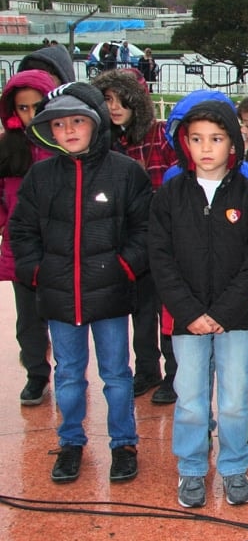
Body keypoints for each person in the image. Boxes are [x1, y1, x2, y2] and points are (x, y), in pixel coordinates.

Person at [9, 82, 152, 484]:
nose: (68, 130)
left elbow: (145, 230)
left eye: (77, 121)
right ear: (48, 131)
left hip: (109, 294)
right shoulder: (41, 177)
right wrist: (36, 272)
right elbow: (20, 230)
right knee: (69, 374)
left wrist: (125, 267)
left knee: (117, 374)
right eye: (58, 124)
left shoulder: (125, 173)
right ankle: (70, 441)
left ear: (96, 123)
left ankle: (123, 443)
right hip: (58, 296)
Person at [148, 100, 248, 508]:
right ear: (185, 143)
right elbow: (161, 259)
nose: (206, 148)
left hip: (234, 320)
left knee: (235, 399)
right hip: (185, 320)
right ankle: (191, 469)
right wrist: (190, 312)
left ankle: (234, 466)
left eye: (216, 139)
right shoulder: (169, 195)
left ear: (232, 144)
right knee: (190, 398)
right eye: (197, 139)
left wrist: (221, 313)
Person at [92, 69, 177, 403]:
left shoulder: (160, 136)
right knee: (140, 309)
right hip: (128, 239)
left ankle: (174, 374)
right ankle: (146, 370)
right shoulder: (105, 142)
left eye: (120, 99)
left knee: (168, 309)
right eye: (107, 100)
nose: (114, 107)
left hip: (166, 236)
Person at [0, 71, 57, 405]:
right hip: (21, 248)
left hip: (61, 245)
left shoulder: (64, 144)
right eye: (23, 108)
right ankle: (36, 373)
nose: (31, 114)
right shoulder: (9, 149)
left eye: (38, 106)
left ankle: (69, 372)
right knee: (28, 319)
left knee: (65, 317)